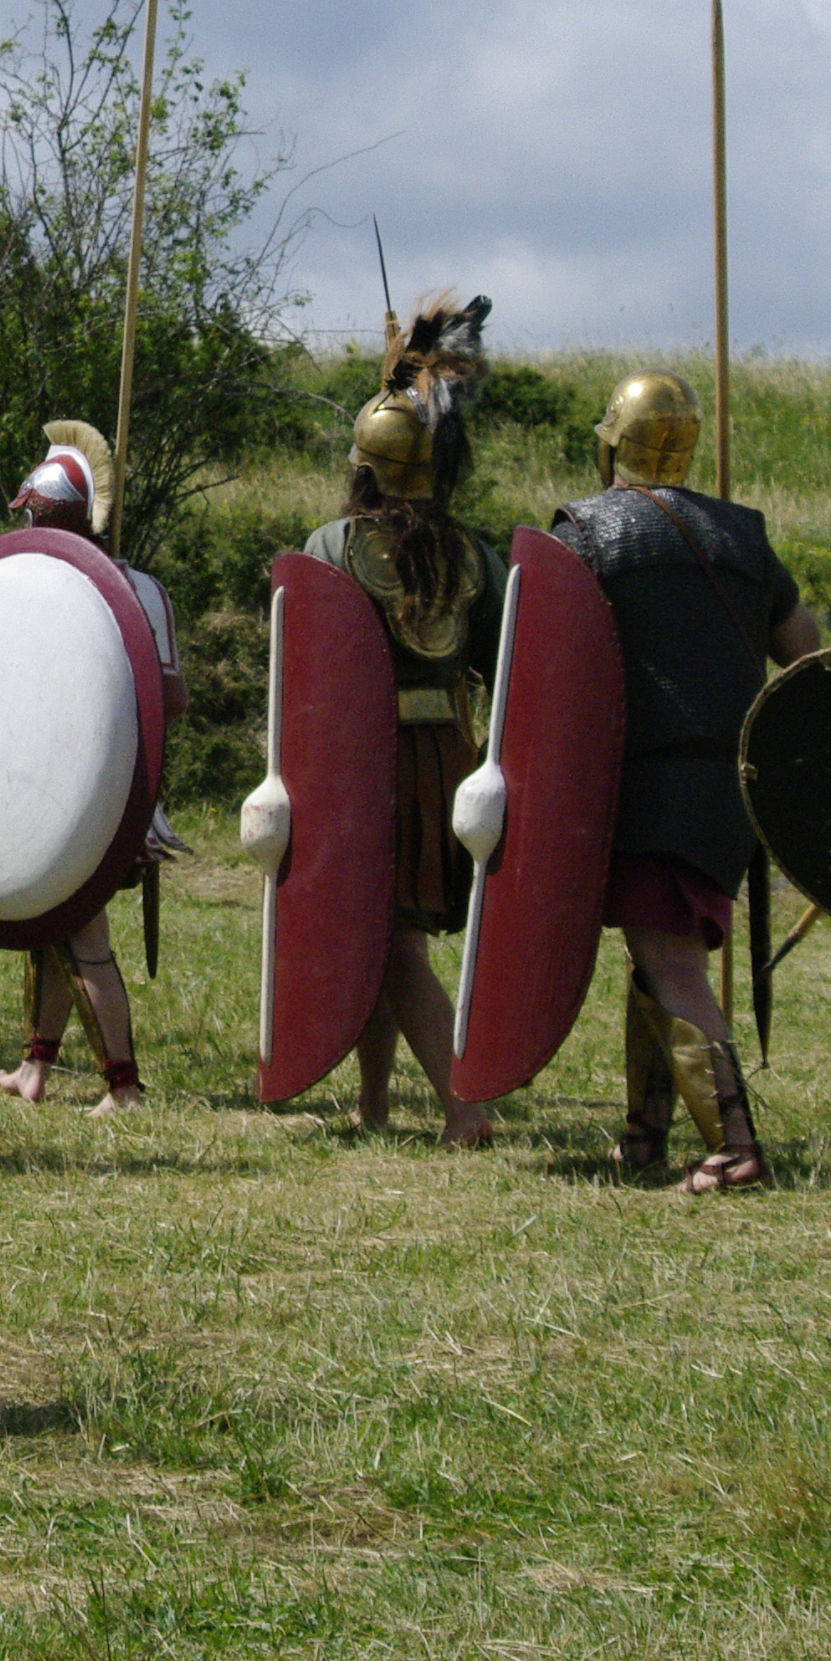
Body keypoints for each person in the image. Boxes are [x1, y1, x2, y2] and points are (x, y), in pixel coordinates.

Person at [548, 372, 817, 1193]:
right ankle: (644, 1138)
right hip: (730, 790)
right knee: (655, 955)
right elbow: (805, 655)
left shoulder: (585, 531)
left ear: (612, 441)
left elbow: (545, 672)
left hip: (646, 787)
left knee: (672, 964)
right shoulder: (742, 534)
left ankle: (737, 1146)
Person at [303, 294, 503, 1147]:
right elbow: (504, 667)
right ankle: (374, 1102)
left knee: (388, 944)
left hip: (372, 767)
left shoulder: (330, 549)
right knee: (392, 938)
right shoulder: (474, 553)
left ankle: (465, 1107)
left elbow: (309, 678)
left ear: (362, 466)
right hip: (450, 759)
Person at [0, 424, 182, 1112]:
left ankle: (123, 1084)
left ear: (40, 512)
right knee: (51, 930)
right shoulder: (147, 589)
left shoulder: (32, 587)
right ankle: (36, 1068)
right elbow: (174, 697)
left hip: (77, 796)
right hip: (122, 791)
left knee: (84, 936)